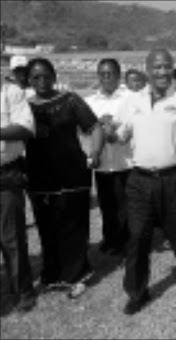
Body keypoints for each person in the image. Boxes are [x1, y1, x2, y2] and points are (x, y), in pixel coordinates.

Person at [115, 48, 176, 315]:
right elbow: (121, 136)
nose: (162, 72)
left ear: (172, 68)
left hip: (175, 177)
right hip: (139, 179)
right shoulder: (131, 100)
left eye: (167, 66)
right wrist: (111, 131)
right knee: (137, 237)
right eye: (156, 67)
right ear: (147, 69)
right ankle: (136, 291)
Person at [24, 58, 105, 299]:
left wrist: (95, 153)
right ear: (29, 80)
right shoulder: (24, 106)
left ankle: (76, 275)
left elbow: (95, 128)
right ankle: (52, 274)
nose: (42, 81)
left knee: (73, 225)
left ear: (55, 76)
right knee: (47, 226)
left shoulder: (70, 100)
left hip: (72, 173)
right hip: (39, 176)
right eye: (36, 77)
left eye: (46, 76)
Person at [85, 59, 131, 256]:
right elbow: (84, 129)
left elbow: (135, 125)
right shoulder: (90, 102)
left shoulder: (130, 98)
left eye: (110, 73)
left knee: (125, 204)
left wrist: (115, 128)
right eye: (102, 74)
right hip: (103, 162)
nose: (106, 78)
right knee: (106, 203)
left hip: (126, 160)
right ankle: (110, 237)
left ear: (118, 75)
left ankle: (125, 240)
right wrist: (98, 127)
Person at [0, 82, 37, 312]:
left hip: (5, 175)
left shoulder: (10, 92)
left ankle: (23, 289)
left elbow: (25, 128)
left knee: (11, 237)